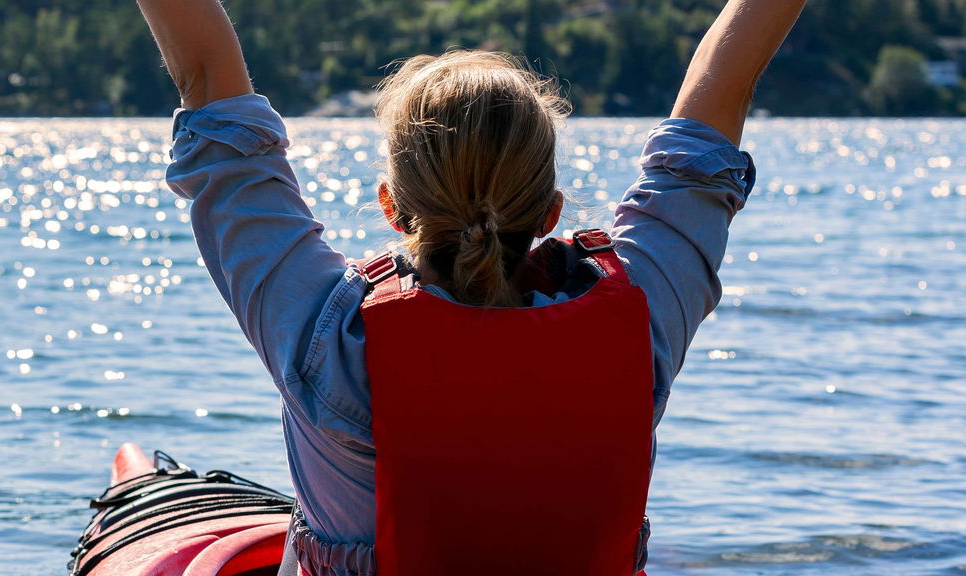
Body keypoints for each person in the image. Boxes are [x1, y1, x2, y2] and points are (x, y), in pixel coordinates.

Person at [71, 0, 808, 574]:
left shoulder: (331, 340)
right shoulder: (641, 320)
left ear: (391, 205)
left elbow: (206, 79)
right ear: (551, 214)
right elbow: (718, 104)